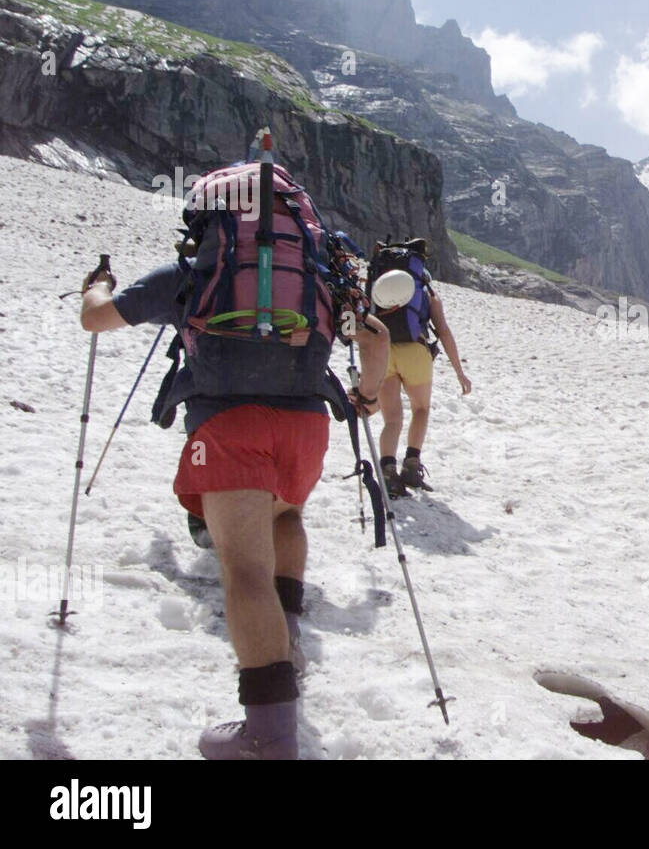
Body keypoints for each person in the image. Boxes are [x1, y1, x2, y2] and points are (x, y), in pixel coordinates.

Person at [80, 249, 389, 760]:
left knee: (245, 569)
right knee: (286, 515)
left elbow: (96, 318)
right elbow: (374, 336)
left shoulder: (198, 270)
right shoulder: (313, 273)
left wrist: (99, 285)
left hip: (229, 422)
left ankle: (268, 738)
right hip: (306, 425)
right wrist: (370, 395)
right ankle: (285, 641)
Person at [369, 240, 472, 498]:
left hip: (383, 350)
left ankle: (389, 473)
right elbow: (444, 332)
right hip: (416, 351)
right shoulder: (425, 292)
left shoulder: (377, 284)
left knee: (392, 418)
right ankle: (412, 467)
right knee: (421, 409)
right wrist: (459, 371)